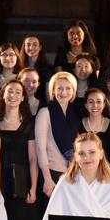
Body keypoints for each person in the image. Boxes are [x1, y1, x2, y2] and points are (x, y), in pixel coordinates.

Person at [0, 80, 38, 220]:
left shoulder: (29, 123)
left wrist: (33, 187)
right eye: (9, 91)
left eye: (17, 92)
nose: (13, 95)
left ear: (22, 98)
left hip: (21, 180)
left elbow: (33, 158)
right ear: (3, 95)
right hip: (0, 180)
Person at [35, 71, 79, 200]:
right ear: (53, 91)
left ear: (73, 91)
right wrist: (47, 178)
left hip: (72, 173)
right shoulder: (45, 112)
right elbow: (40, 149)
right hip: (51, 174)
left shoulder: (74, 115)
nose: (63, 92)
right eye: (59, 88)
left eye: (67, 88)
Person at [78, 88, 110, 153]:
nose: (95, 105)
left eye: (98, 101)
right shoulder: (78, 124)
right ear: (86, 105)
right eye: (91, 102)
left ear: (104, 104)